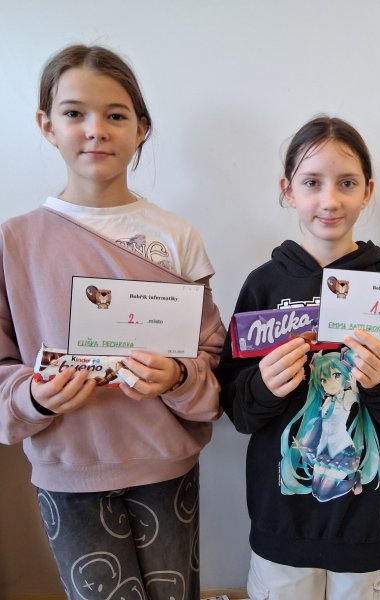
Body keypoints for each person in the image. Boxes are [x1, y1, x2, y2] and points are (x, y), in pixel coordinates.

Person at [0, 45, 225, 600]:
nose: (95, 130)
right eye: (74, 113)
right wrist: (35, 397)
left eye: (116, 115)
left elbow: (212, 354)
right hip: (68, 468)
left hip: (165, 465)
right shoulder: (14, 243)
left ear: (141, 128)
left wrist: (177, 377)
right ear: (47, 125)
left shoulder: (177, 237)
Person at [217, 116, 380, 600]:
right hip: (281, 523)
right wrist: (262, 386)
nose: (330, 200)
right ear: (287, 190)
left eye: (346, 183)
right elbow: (237, 407)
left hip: (366, 523)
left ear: (368, 191)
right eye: (312, 182)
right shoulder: (263, 284)